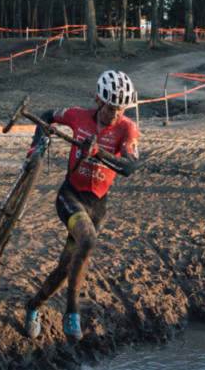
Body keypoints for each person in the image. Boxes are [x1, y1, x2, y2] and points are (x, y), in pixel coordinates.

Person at [23, 70, 141, 340]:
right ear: (99, 100)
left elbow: (130, 167)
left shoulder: (127, 128)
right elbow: (47, 115)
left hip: (96, 206)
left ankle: (33, 306)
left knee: (66, 267)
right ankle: (72, 312)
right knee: (88, 240)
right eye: (110, 107)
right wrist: (36, 149)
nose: (114, 114)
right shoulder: (78, 116)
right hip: (70, 196)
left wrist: (99, 152)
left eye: (119, 108)